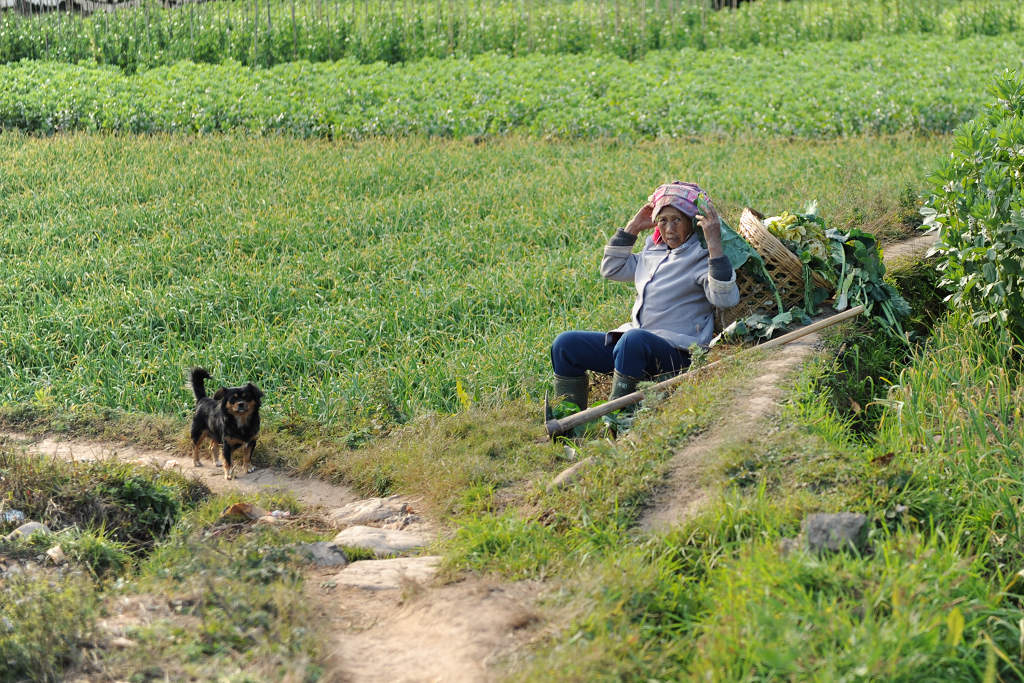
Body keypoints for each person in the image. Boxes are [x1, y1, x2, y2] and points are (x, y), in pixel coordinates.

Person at [550, 181, 740, 412]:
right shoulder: (654, 251)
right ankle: (570, 422)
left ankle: (618, 419)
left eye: (677, 220)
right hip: (635, 348)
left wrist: (714, 244)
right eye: (663, 220)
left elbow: (726, 300)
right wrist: (633, 228)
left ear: (693, 222)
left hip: (676, 354)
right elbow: (612, 269)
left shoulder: (701, 257)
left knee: (633, 340)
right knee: (566, 345)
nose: (669, 228)